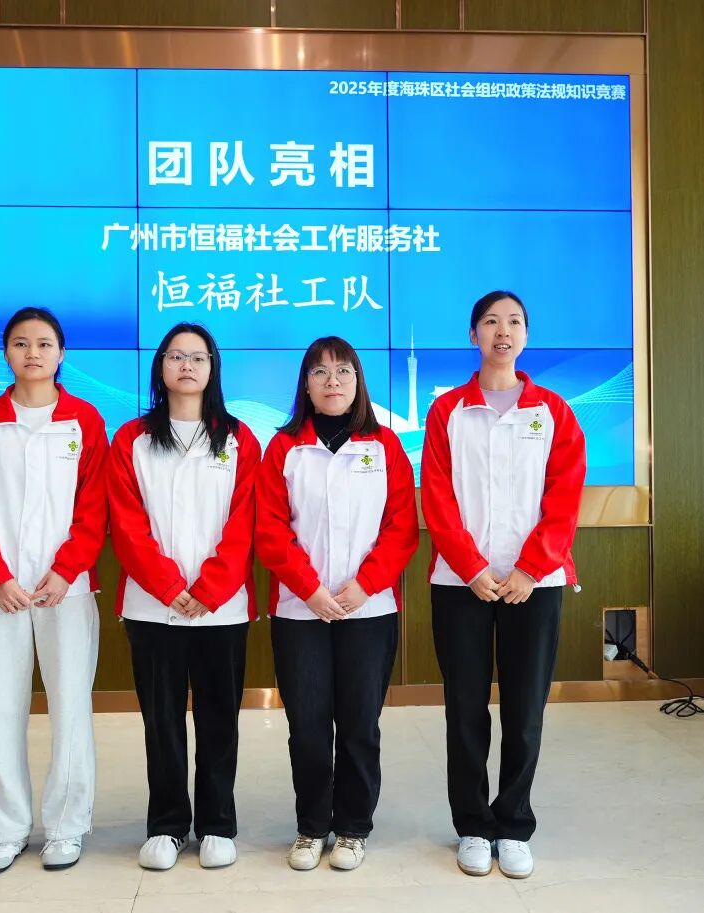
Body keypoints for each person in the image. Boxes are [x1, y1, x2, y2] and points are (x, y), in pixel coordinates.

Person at [421, 290, 586, 880]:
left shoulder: (553, 411)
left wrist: (529, 569)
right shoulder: (447, 410)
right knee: (465, 708)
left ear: (526, 335)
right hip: (460, 583)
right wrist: (472, 567)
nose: (502, 331)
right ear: (473, 335)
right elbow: (437, 496)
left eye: (514, 322)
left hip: (533, 585)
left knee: (524, 709)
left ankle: (513, 824)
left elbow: (564, 498)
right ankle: (472, 824)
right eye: (491, 322)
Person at [256, 336, 419, 872]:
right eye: (320, 372)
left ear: (358, 381)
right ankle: (311, 826)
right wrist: (311, 589)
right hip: (300, 610)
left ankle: (352, 827)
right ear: (305, 384)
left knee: (358, 723)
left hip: (367, 610)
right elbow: (271, 530)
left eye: (343, 371)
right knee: (306, 724)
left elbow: (400, 527)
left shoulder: (385, 446)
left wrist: (363, 586)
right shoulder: (284, 448)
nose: (332, 381)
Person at [0, 307, 108, 874]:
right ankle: (5, 829)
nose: (33, 353)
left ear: (61, 354)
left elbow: (94, 507)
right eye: (21, 343)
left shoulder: (84, 421)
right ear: (6, 353)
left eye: (44, 343)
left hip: (66, 590)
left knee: (70, 708)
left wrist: (66, 570)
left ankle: (66, 827)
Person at [107, 322, 260, 871]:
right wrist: (171, 587)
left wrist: (210, 587)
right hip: (153, 608)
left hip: (223, 608)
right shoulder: (132, 439)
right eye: (176, 356)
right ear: (160, 367)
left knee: (219, 719)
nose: (187, 365)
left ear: (213, 368)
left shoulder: (240, 438)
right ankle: (168, 825)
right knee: (162, 720)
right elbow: (127, 524)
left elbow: (245, 521)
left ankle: (217, 823)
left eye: (198, 357)